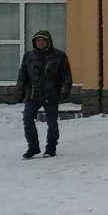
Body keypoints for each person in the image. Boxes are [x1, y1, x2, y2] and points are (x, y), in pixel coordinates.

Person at [15, 29, 72, 159]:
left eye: (43, 40)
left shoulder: (59, 56)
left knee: (52, 122)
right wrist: (19, 90)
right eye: (37, 40)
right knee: (28, 119)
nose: (40, 42)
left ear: (48, 41)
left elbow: (66, 76)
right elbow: (22, 76)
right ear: (34, 42)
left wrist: (65, 90)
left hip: (51, 94)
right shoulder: (29, 56)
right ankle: (33, 147)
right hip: (33, 94)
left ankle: (51, 148)